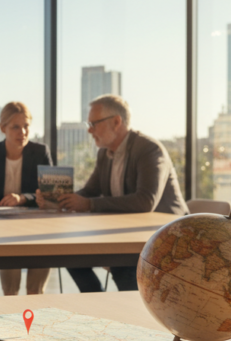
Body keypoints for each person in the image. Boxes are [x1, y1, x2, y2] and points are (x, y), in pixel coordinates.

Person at [39, 94, 188, 293]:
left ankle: (128, 315)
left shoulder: (149, 150)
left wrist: (89, 205)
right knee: (71, 255)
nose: (89, 130)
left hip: (164, 237)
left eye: (94, 123)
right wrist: (59, 199)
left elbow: (145, 201)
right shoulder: (104, 153)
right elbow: (89, 191)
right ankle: (97, 305)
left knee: (123, 268)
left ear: (116, 122)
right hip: (125, 235)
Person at [0, 102, 52, 295]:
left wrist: (22, 198)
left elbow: (47, 194)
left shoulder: (40, 152)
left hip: (38, 228)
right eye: (15, 126)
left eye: (26, 126)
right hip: (2, 229)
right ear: (2, 128)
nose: (22, 131)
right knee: (10, 291)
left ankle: (34, 318)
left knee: (35, 291)